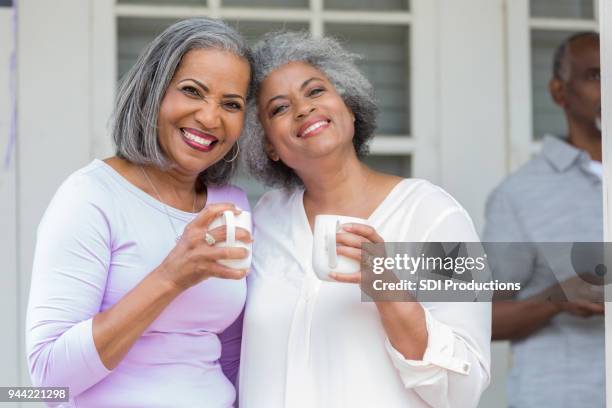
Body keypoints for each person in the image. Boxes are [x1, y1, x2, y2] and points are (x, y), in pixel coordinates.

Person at [239, 31, 491, 408]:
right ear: (268, 146)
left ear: (350, 108)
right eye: (279, 108)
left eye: (316, 91)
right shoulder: (263, 220)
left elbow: (464, 387)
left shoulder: (434, 215)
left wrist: (391, 293)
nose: (303, 109)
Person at [26, 18, 253, 407]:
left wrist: (384, 280)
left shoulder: (236, 205)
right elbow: (48, 376)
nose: (211, 117)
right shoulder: (90, 196)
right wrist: (171, 276)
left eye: (230, 104)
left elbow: (235, 358)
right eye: (192, 91)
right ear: (151, 92)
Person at [484, 32, 604, 407]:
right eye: (595, 75)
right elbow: (479, 319)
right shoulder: (518, 195)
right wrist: (556, 300)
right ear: (558, 91)